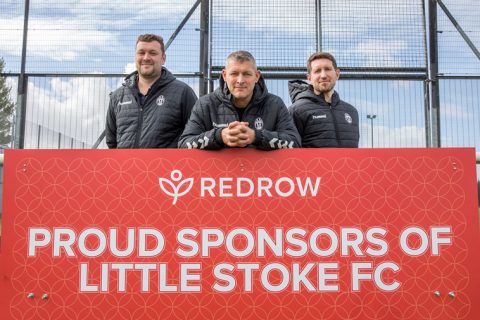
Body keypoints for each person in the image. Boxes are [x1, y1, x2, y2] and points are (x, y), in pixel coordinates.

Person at [178, 51, 300, 150]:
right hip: (218, 178)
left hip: (262, 178)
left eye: (247, 74)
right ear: (225, 76)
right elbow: (184, 144)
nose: (240, 80)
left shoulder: (275, 104)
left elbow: (295, 143)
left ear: (256, 76)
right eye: (234, 73)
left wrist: (256, 137)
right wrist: (219, 136)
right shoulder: (205, 104)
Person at [106, 34, 197, 148]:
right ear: (135, 57)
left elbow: (195, 136)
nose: (146, 58)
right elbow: (111, 142)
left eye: (152, 53)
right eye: (141, 52)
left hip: (167, 165)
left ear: (163, 58)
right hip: (126, 165)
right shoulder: (118, 96)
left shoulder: (183, 93)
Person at [288, 52, 359, 147]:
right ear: (309, 77)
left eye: (328, 69)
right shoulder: (296, 111)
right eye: (317, 71)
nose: (323, 75)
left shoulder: (351, 111)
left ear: (337, 74)